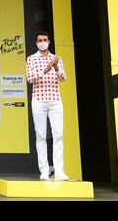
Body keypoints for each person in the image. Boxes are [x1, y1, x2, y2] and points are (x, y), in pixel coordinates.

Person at [26, 30, 69, 181]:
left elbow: (63, 77)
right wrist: (46, 69)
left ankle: (59, 170)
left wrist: (56, 67)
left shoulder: (57, 58)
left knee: (58, 135)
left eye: (45, 40)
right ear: (36, 43)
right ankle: (44, 170)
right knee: (41, 135)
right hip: (38, 99)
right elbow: (30, 78)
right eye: (39, 40)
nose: (42, 42)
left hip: (55, 99)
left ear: (49, 41)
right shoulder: (31, 58)